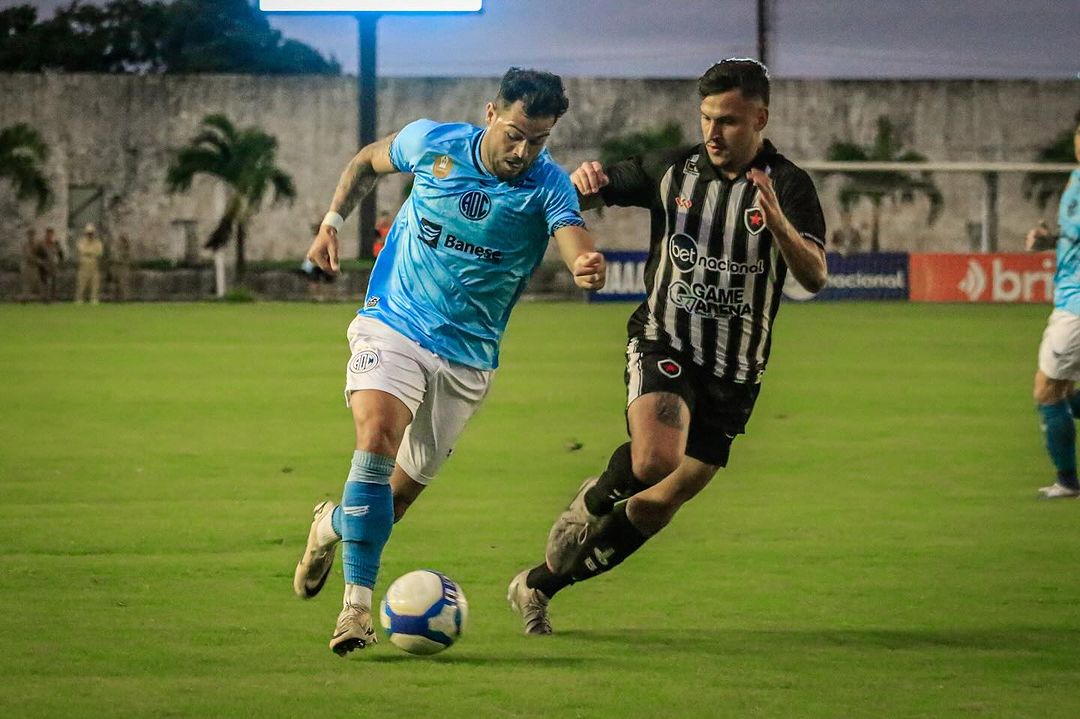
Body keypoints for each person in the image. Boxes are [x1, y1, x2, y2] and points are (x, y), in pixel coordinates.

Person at [506, 58, 828, 635]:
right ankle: (589, 503)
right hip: (665, 338)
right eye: (706, 118)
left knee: (660, 502)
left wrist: (778, 222)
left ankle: (539, 586)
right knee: (656, 458)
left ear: (760, 118)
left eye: (727, 121)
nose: (712, 132)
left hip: (736, 372)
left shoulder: (791, 186)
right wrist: (581, 184)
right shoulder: (671, 170)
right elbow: (585, 191)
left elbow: (815, 276)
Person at [291, 67, 606, 656]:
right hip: (395, 322)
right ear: (491, 112)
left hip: (467, 357)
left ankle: (330, 525)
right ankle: (355, 611)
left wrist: (584, 263)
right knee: (377, 436)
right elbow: (365, 161)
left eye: (538, 140)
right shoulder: (432, 143)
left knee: (395, 499)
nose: (524, 150)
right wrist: (330, 224)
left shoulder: (548, 186)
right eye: (515, 133)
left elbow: (572, 240)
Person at [1024, 110, 1080, 499]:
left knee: (1047, 390)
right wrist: (1048, 239)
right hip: (1068, 295)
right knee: (1067, 388)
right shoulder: (1076, 178)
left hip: (1077, 304)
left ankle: (1067, 481)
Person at [74, 223, 104, 304]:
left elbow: (99, 252)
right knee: (81, 282)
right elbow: (81, 250)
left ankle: (94, 299)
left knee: (95, 283)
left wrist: (89, 252)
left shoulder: (97, 242)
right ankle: (79, 299)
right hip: (84, 264)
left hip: (94, 264)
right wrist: (90, 252)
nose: (90, 235)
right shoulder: (81, 241)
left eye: (91, 233)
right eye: (89, 233)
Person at [31, 227, 60, 303]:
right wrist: (39, 261)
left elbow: (60, 254)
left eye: (51, 234)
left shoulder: (55, 244)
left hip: (53, 266)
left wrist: (59, 260)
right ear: (46, 234)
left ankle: (53, 299)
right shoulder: (41, 244)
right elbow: (35, 254)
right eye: (48, 233)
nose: (50, 235)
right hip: (44, 266)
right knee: (44, 283)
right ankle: (44, 299)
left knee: (54, 283)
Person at [109, 232, 133, 301]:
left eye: (124, 239)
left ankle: (125, 299)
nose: (122, 241)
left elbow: (126, 258)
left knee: (124, 285)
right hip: (116, 268)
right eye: (121, 239)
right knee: (114, 285)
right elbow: (113, 258)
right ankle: (114, 299)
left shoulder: (127, 248)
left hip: (123, 268)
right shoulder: (116, 248)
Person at [18, 228, 38, 301]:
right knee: (26, 282)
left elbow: (38, 255)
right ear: (28, 236)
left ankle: (29, 297)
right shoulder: (25, 245)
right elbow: (26, 255)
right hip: (26, 266)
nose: (31, 237)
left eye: (32, 235)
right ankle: (25, 298)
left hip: (34, 266)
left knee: (33, 281)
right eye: (30, 235)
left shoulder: (36, 245)